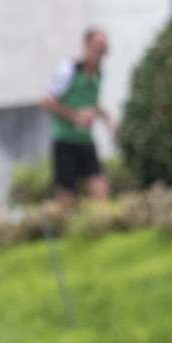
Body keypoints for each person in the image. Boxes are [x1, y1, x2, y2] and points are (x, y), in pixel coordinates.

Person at [41, 28, 116, 211]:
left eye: (104, 50)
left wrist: (106, 118)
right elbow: (47, 101)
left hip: (85, 140)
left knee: (101, 190)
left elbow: (93, 104)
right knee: (67, 199)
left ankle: (99, 225)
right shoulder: (69, 70)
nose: (101, 55)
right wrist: (75, 116)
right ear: (86, 47)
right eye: (97, 49)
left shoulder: (99, 75)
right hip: (65, 140)